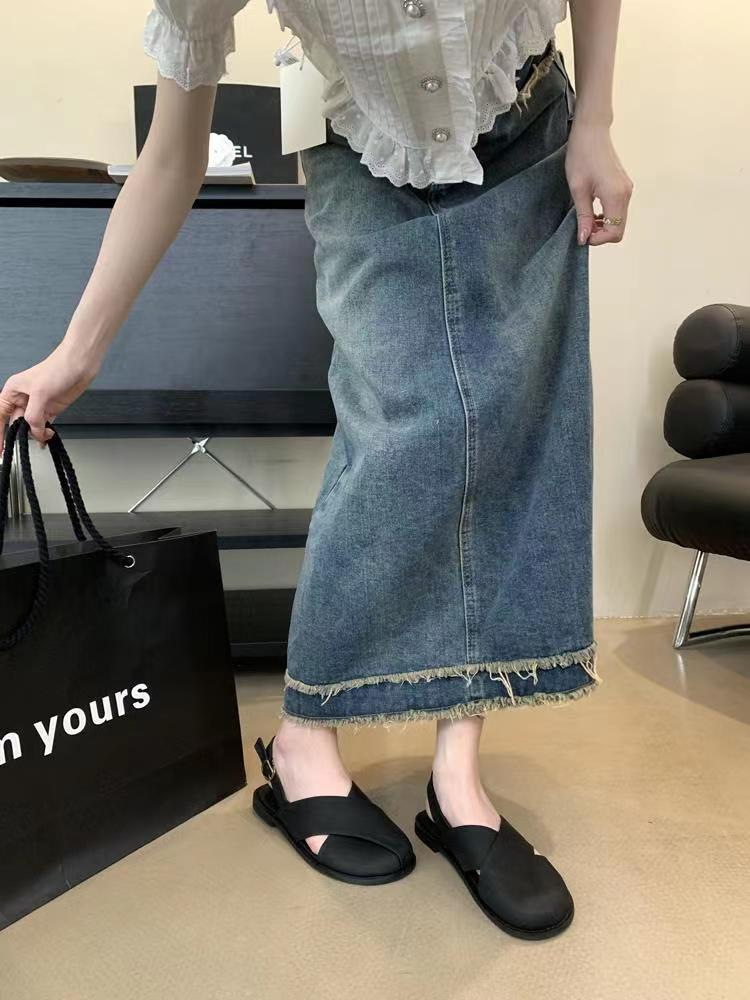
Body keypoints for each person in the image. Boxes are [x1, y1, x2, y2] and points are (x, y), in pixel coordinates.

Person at [0, 0, 631, 938]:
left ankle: (457, 777)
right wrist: (76, 354)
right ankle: (302, 740)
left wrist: (597, 121)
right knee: (391, 436)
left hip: (529, 125)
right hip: (365, 150)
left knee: (503, 432)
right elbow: (170, 157)